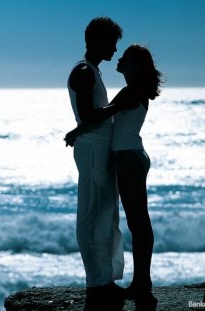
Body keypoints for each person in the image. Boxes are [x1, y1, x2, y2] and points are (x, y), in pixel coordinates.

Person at [66, 45, 163, 310]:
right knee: (137, 220)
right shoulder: (133, 89)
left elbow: (103, 114)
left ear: (135, 65)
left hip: (129, 157)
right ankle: (141, 281)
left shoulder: (133, 91)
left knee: (138, 221)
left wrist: (77, 131)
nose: (118, 58)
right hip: (129, 156)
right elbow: (108, 114)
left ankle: (143, 282)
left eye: (125, 58)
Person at [66, 17, 134, 311]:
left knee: (105, 214)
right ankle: (97, 282)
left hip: (97, 149)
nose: (115, 48)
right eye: (112, 42)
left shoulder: (91, 71)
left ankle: (104, 280)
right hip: (93, 151)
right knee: (93, 215)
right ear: (97, 41)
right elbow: (88, 116)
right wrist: (119, 104)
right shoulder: (83, 71)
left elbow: (87, 119)